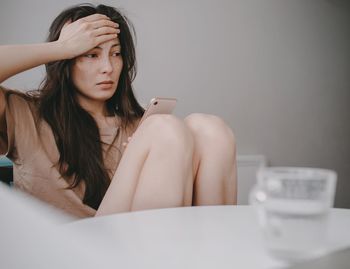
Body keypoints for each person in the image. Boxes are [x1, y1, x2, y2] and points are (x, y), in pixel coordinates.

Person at [0, 3, 237, 218]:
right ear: (65, 61)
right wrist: (61, 47)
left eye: (115, 53)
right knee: (164, 128)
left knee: (210, 128)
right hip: (69, 251)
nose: (108, 67)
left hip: (135, 245)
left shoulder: (140, 127)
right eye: (91, 55)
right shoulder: (24, 114)